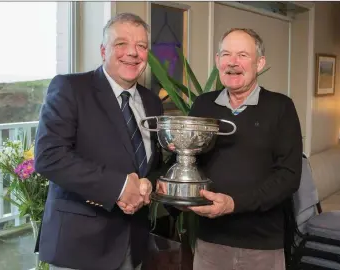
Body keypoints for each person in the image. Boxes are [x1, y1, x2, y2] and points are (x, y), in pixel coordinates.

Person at [159, 28, 303, 270]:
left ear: (260, 63)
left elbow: (288, 177)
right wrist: (178, 153)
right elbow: (193, 160)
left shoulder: (281, 107)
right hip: (210, 243)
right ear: (217, 61)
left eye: (243, 55)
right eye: (226, 54)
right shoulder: (203, 103)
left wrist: (233, 203)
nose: (233, 62)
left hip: (262, 245)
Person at [34, 13, 164, 270]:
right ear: (104, 50)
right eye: (121, 44)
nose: (133, 53)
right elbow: (49, 157)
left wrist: (149, 182)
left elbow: (154, 161)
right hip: (80, 246)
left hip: (133, 243)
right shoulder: (70, 88)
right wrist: (119, 186)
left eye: (141, 46)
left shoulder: (152, 102)